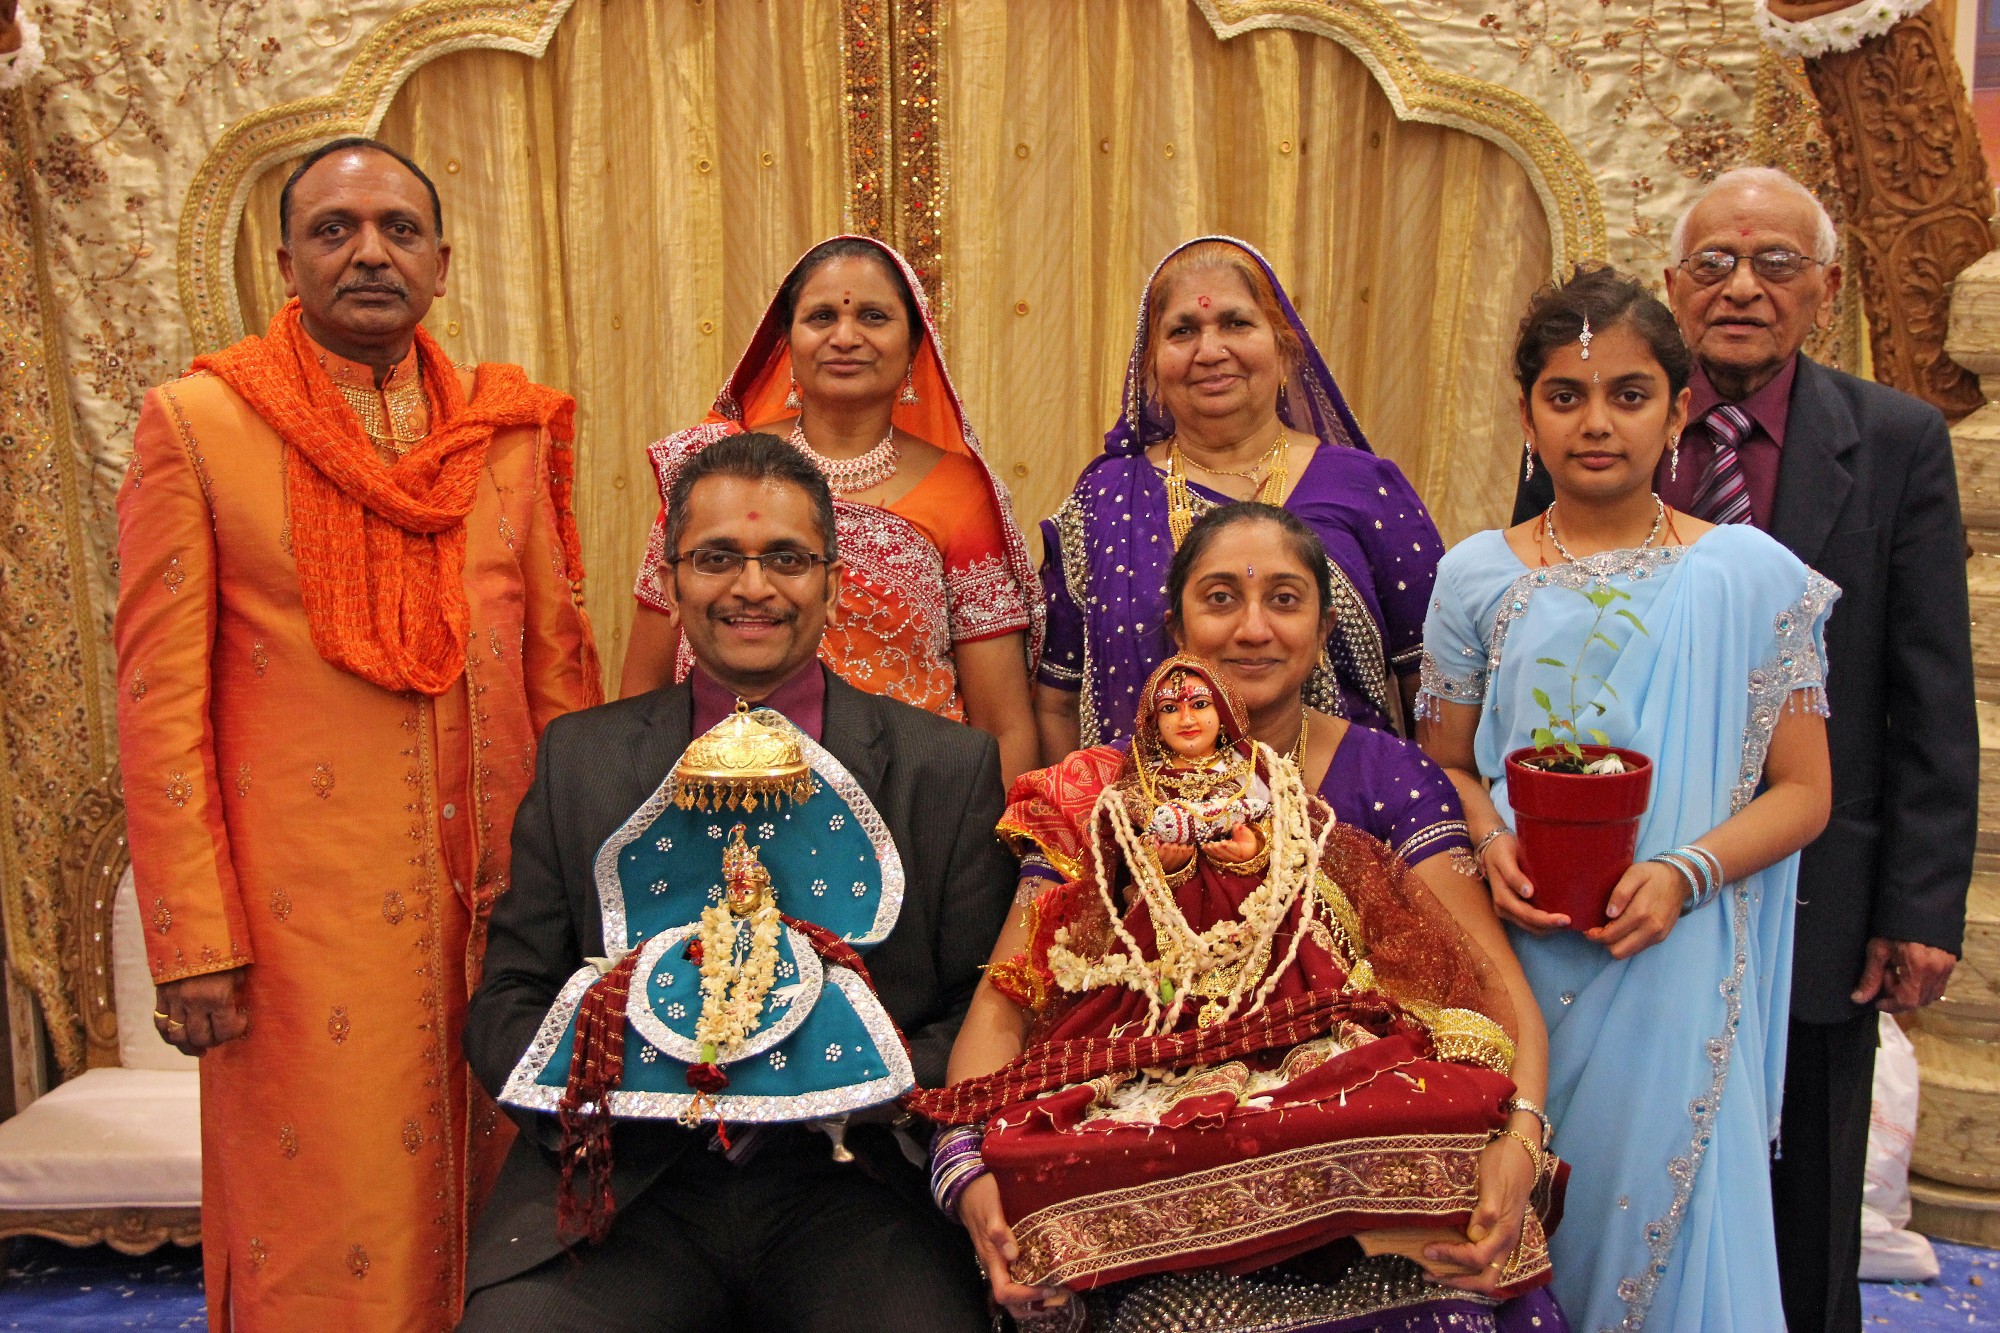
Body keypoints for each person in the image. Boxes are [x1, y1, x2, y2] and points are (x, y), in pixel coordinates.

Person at [114, 137, 601, 1332]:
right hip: (298, 936)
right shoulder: (199, 425)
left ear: (441, 261)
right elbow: (157, 700)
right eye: (334, 229)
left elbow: (560, 678)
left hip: (507, 914)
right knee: (328, 1224)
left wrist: (594, 902)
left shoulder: (507, 435)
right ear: (286, 262)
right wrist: (191, 941)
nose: (369, 250)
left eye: (397, 227)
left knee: (518, 1219)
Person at [1510, 167, 1976, 1333]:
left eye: (1774, 263)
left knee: (1802, 1185)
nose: (1741, 287)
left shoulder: (1896, 441)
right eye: (1712, 262)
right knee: (1620, 1185)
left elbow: (1926, 685)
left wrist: (1917, 905)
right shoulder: (1595, 428)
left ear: (1821, 288)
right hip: (1620, 901)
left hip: (1814, 889)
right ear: (1673, 284)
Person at [925, 503, 1562, 1333]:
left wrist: (1521, 1142)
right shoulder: (1098, 794)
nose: (1253, 628)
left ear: (1325, 625)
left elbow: (1497, 989)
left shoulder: (1384, 775)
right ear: (1175, 624)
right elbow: (1004, 1008)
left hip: (1368, 1189)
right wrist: (966, 1167)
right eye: (1221, 598)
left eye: (1285, 599)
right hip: (1164, 1187)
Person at [460, 433, 1016, 1333]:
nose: (752, 587)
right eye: (717, 558)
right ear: (673, 582)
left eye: (786, 559)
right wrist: (616, 1083)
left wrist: (834, 1079)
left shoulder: (941, 769)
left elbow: (981, 1009)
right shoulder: (584, 760)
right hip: (626, 1189)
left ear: (833, 583)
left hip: (855, 1186)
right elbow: (507, 1000)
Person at [1432, 264, 1836, 1331]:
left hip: (1674, 957)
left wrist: (1680, 871)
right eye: (1564, 396)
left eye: (1626, 394)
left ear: (1677, 411)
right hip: (1517, 959)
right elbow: (1442, 761)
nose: (1594, 422)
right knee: (1521, 1238)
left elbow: (1802, 794)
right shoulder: (1476, 575)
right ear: (1524, 413)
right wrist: (1484, 836)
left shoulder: (1749, 575)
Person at [619, 235, 1042, 783]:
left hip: (910, 807)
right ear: (787, 343)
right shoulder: (709, 470)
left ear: (915, 343)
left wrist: (984, 857)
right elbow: (643, 690)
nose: (846, 337)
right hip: (718, 795)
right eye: (821, 317)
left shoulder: (960, 493)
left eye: (873, 316)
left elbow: (1004, 725)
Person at [1034, 236, 1445, 758]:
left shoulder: (1367, 490)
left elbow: (1433, 696)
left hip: (1340, 823)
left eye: (1236, 323)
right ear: (1152, 365)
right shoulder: (1105, 499)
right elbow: (1057, 703)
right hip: (1142, 826)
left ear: (1285, 349)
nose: (1210, 351)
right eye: (1183, 331)